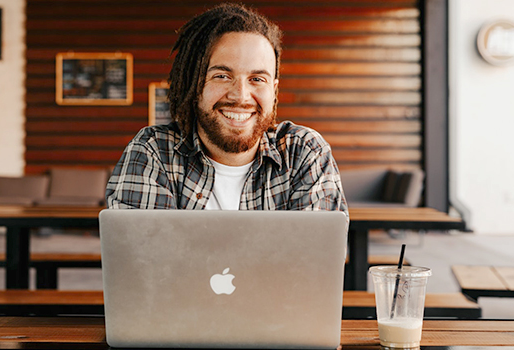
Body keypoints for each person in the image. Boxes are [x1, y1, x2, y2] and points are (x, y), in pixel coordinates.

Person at [105, 3, 347, 213]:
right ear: (193, 82)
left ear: (274, 90)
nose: (240, 95)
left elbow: (313, 264)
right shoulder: (154, 154)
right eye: (221, 75)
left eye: (257, 79)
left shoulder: (304, 153)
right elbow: (144, 262)